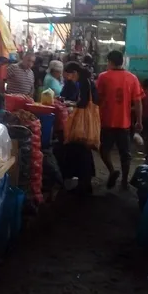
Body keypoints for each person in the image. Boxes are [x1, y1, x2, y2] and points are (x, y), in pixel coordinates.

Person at [96, 50, 143, 189]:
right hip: (124, 122)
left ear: (109, 62)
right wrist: (139, 121)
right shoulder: (132, 78)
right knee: (125, 153)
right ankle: (124, 181)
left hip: (106, 121)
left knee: (104, 149)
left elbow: (97, 98)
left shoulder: (103, 77)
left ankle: (112, 170)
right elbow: (138, 102)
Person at [56, 62, 98, 195]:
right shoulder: (82, 81)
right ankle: (84, 184)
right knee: (81, 151)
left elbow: (84, 103)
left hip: (83, 122)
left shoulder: (84, 82)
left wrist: (70, 103)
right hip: (82, 120)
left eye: (69, 74)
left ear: (75, 72)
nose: (68, 78)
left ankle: (84, 185)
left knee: (82, 151)